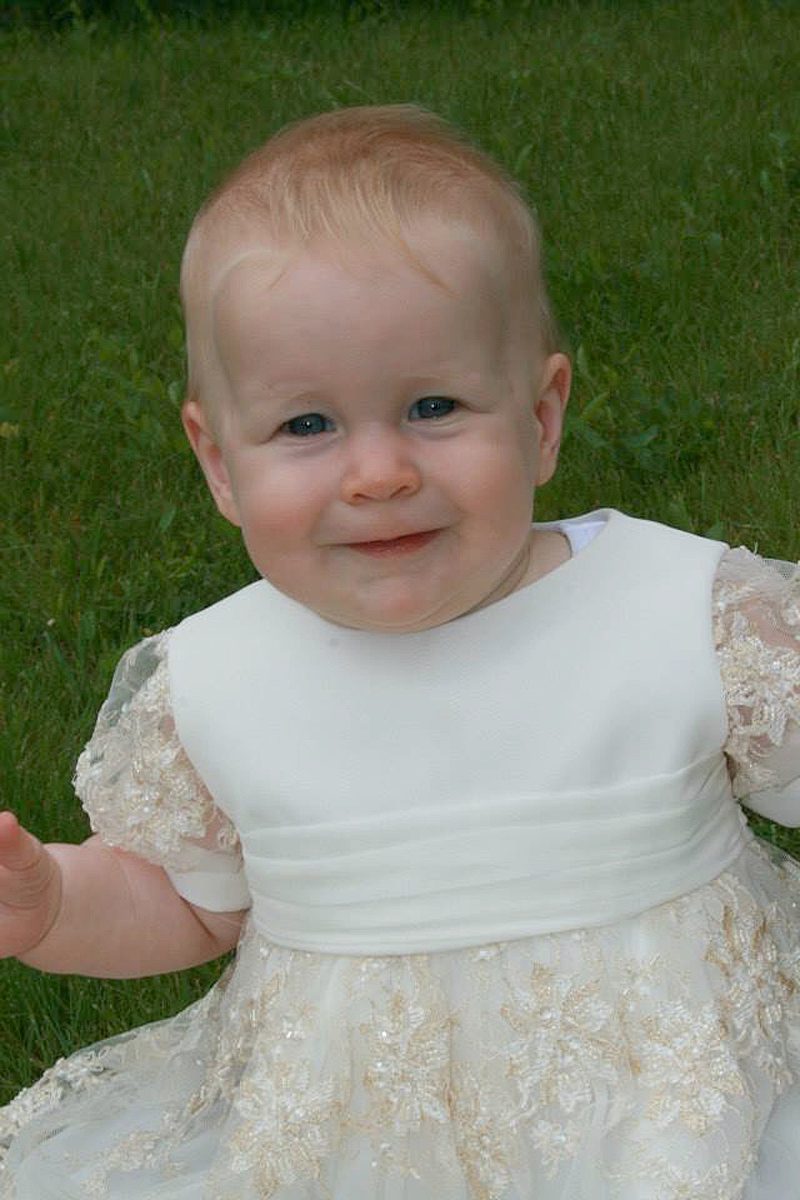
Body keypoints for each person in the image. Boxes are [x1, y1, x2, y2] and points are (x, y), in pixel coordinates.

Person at [0, 104, 798, 1200]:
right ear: (218, 461)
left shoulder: (679, 614)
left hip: (694, 1098)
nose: (375, 472)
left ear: (540, 415)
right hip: (364, 1139)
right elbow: (191, 904)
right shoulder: (218, 681)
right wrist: (54, 906)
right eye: (306, 427)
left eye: (432, 406)